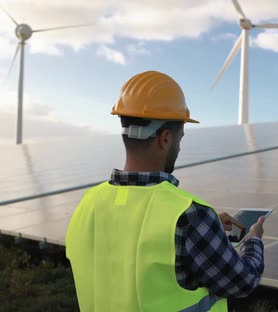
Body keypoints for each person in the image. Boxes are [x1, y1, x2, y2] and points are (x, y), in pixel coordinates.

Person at [66, 71, 265, 312]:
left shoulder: (89, 202)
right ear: (165, 138)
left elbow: (128, 246)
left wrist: (209, 224)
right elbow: (243, 282)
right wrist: (253, 240)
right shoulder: (189, 215)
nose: (180, 146)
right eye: (180, 137)